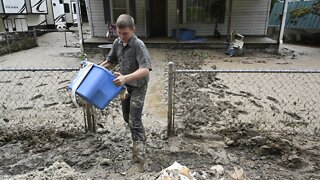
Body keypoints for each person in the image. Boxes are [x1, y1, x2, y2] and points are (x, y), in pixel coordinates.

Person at [100, 14, 152, 172]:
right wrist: (95, 69)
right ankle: (141, 137)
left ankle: (139, 158)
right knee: (126, 117)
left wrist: (125, 78)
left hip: (138, 86)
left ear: (133, 30)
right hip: (124, 86)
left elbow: (145, 69)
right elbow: (111, 61)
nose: (122, 36)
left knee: (134, 120)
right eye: (119, 33)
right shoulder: (117, 42)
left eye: (125, 33)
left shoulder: (138, 45)